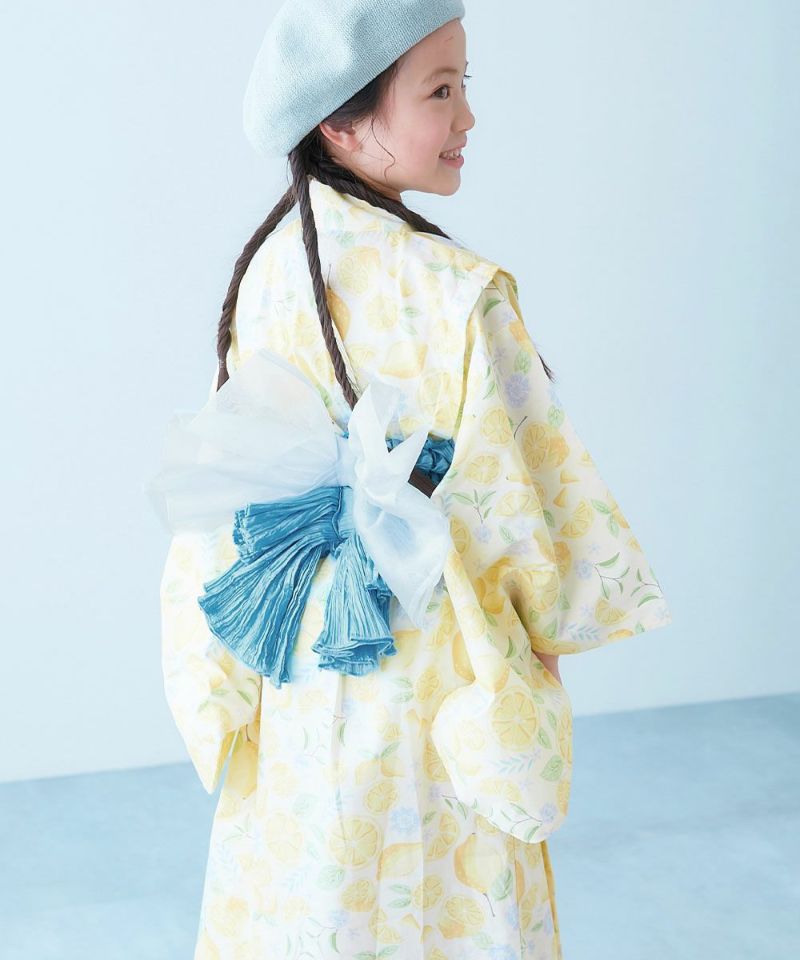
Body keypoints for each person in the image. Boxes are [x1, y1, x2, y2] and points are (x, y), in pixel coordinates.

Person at [152, 2, 673, 957]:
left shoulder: (267, 272)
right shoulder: (457, 292)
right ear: (340, 122)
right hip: (433, 660)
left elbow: (234, 480)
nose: (468, 116)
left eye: (464, 85)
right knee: (441, 895)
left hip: (301, 657)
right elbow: (515, 506)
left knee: (311, 888)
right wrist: (536, 655)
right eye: (439, 92)